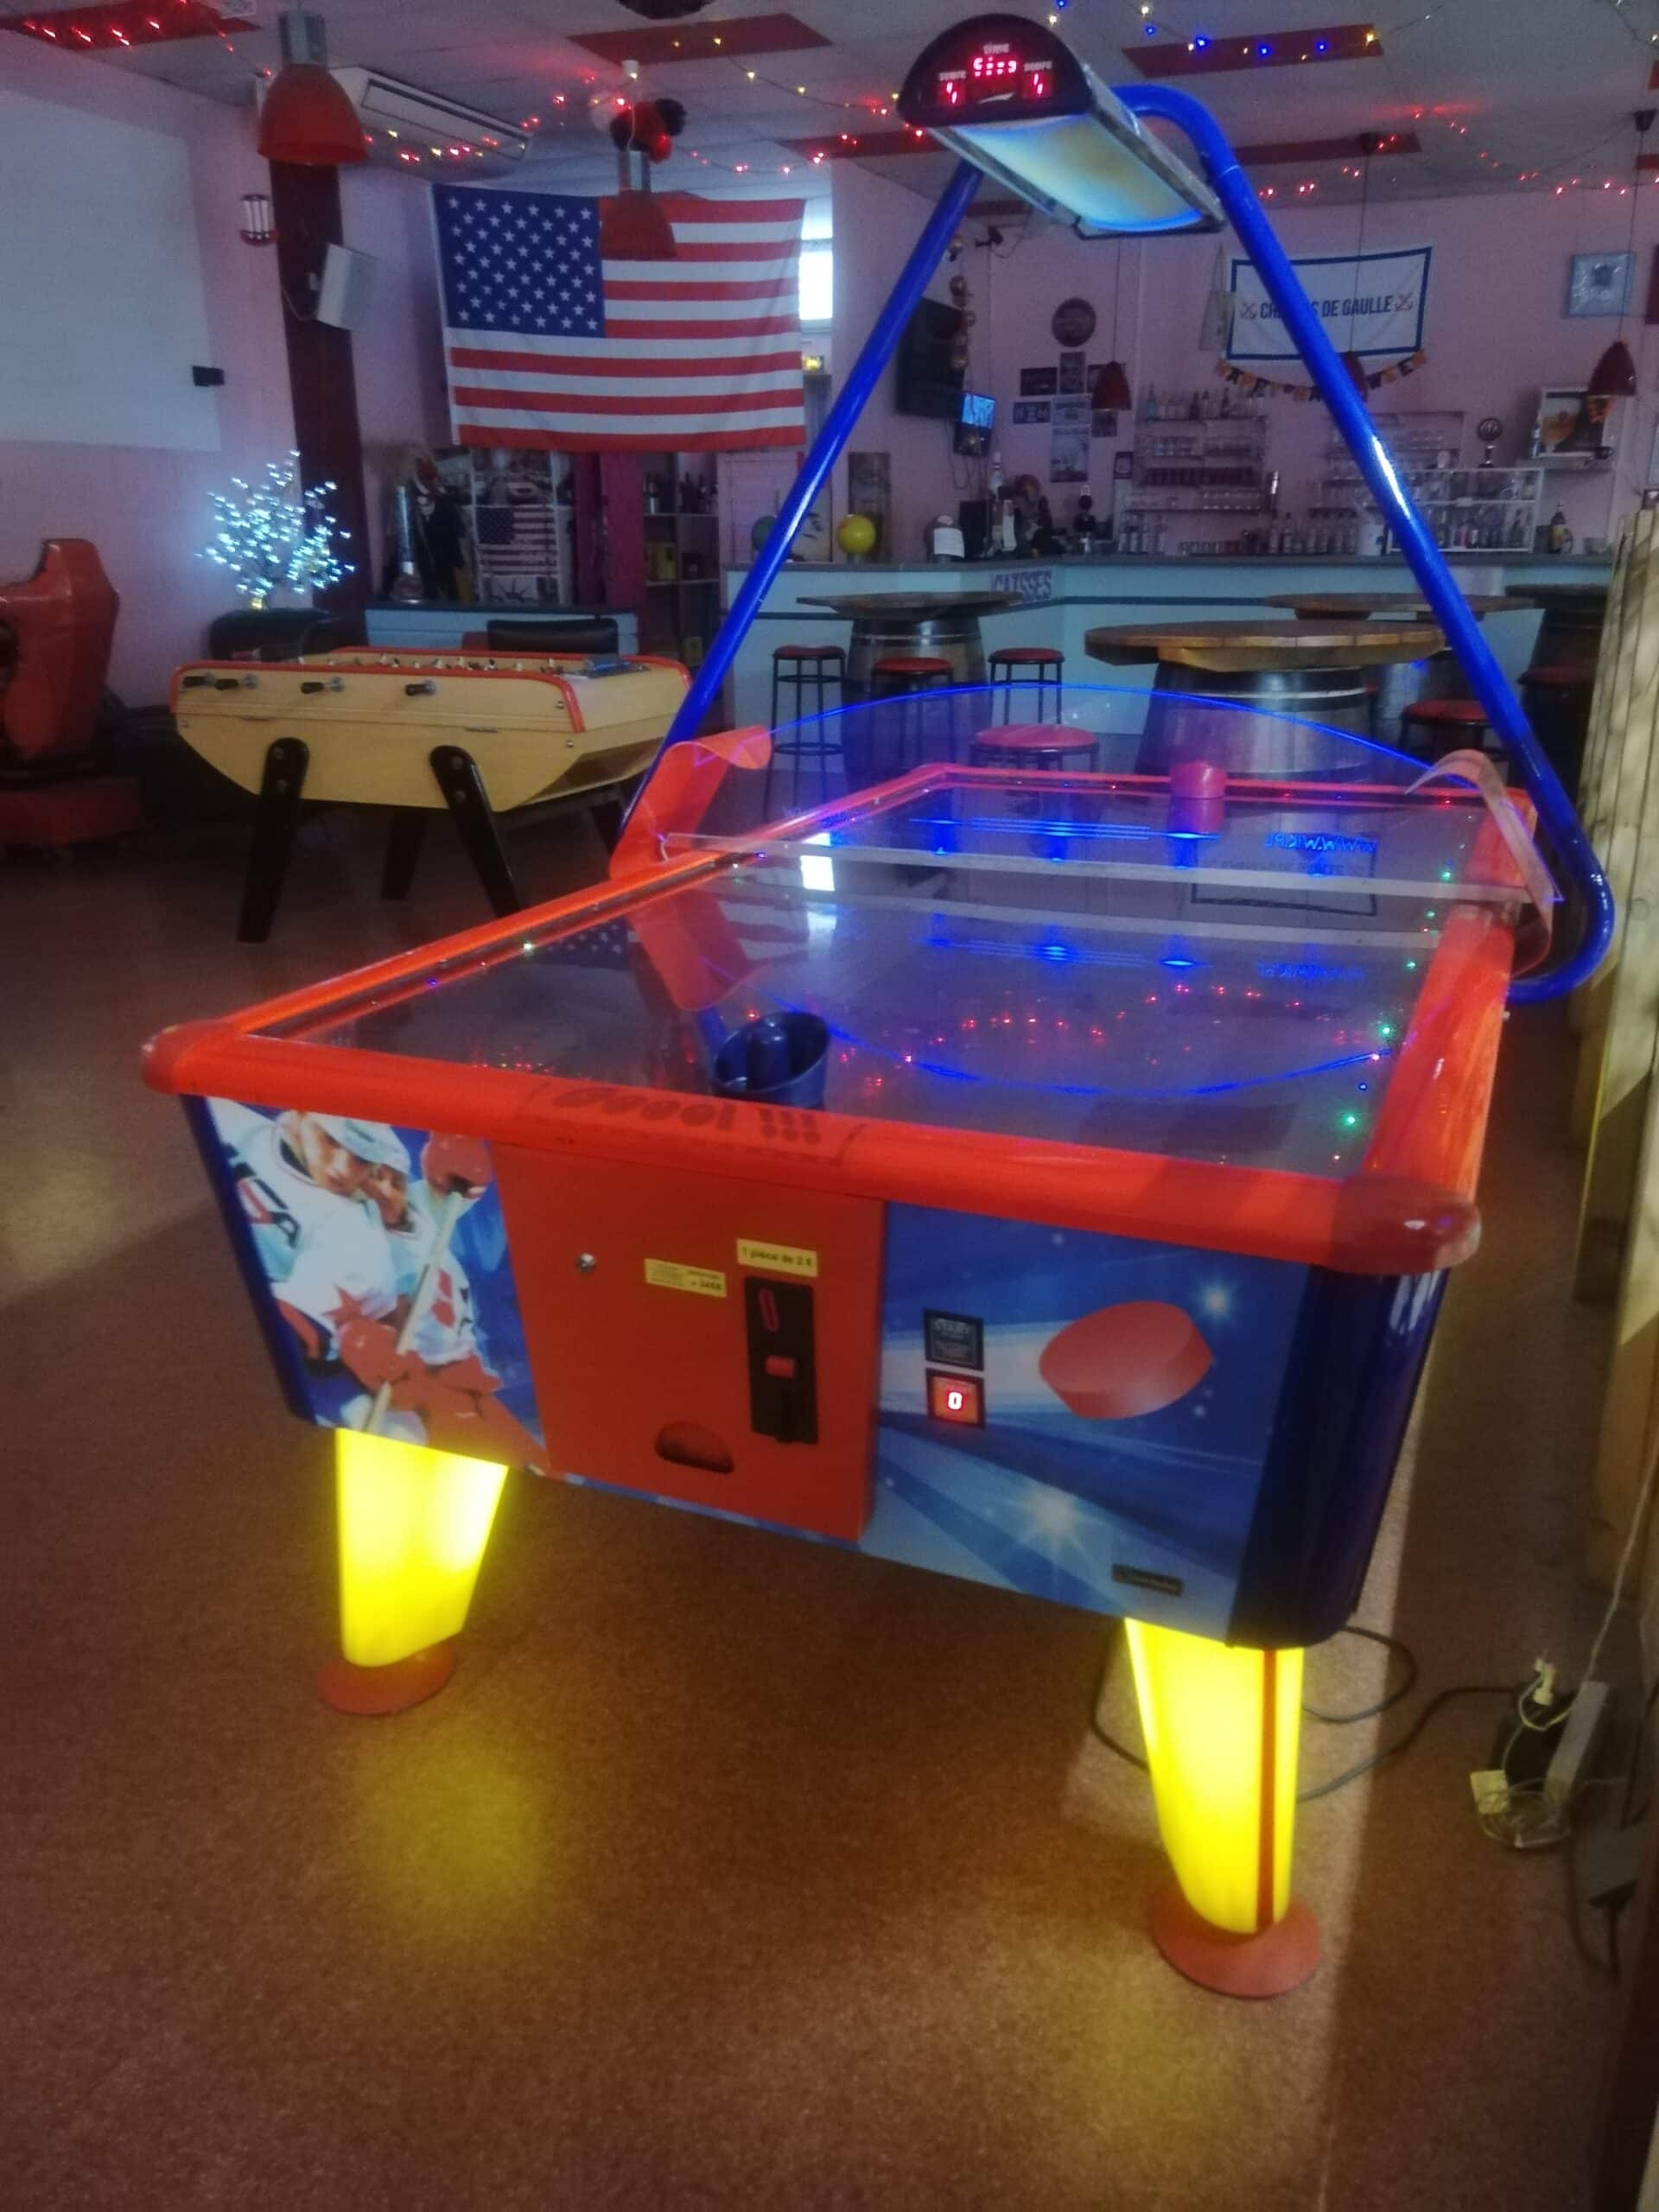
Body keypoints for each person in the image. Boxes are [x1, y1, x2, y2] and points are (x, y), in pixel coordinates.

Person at [336, 1133, 548, 1472]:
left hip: (467, 1373)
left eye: (393, 1176)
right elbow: (344, 1321)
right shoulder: (353, 1241)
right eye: (375, 1178)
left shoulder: (416, 1209)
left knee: (545, 1467)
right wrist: (362, 1344)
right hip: (424, 1385)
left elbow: (459, 1184)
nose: (388, 1188)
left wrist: (454, 1159)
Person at [207, 1103, 405, 1362]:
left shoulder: (356, 1240)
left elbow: (280, 1325)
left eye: (362, 1159)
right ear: (301, 1112)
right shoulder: (227, 1119)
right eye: (332, 1140)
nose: (344, 1169)